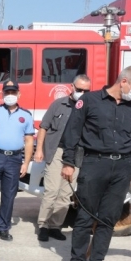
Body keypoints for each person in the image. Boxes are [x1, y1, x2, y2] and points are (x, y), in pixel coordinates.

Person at [61, 66, 131, 261]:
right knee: (85, 216)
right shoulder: (90, 101)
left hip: (122, 168)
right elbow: (72, 131)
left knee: (108, 218)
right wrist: (69, 162)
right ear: (124, 81)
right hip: (94, 163)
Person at [35, 75, 92, 241]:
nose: (82, 93)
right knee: (51, 191)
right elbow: (43, 127)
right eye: (79, 89)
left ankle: (55, 226)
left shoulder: (89, 107)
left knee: (66, 194)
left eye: (86, 91)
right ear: (72, 87)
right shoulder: (58, 104)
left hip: (76, 154)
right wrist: (39, 150)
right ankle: (43, 225)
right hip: (57, 152)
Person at [0, 80, 34, 241]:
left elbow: (29, 140)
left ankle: (2, 227)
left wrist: (25, 163)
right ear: (2, 94)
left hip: (14, 159)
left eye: (13, 92)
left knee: (9, 195)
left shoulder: (25, 115)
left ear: (18, 94)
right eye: (7, 92)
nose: (10, 95)